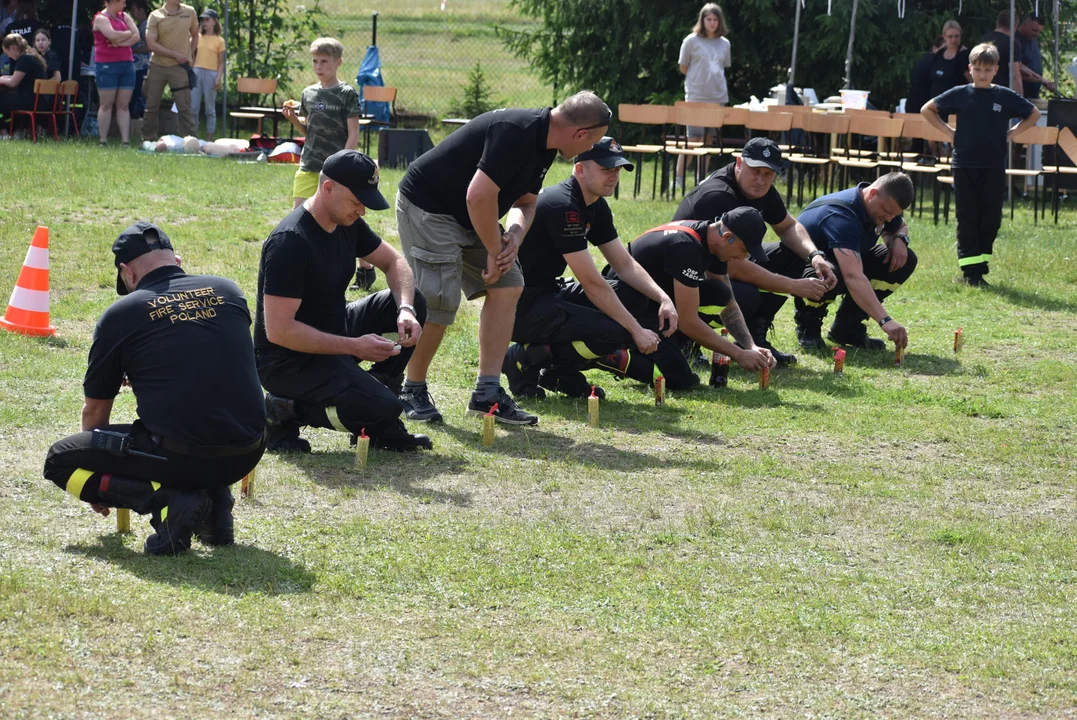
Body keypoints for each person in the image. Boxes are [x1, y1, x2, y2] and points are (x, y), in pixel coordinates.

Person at [42, 222, 266, 556]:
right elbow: (216, 367)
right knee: (204, 420)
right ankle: (216, 509)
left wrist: (103, 474)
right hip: (249, 449)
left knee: (59, 460)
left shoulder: (122, 314)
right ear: (176, 260)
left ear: (126, 272)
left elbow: (95, 410)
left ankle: (171, 500)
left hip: (185, 456)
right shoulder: (228, 290)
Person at [394, 91, 611, 426]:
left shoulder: (546, 145)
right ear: (580, 133)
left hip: (471, 213)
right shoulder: (518, 132)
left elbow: (525, 202)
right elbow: (478, 195)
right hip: (430, 207)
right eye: (592, 141)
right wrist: (495, 251)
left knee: (509, 285)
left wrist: (513, 239)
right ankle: (412, 388)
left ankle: (487, 393)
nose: (588, 149)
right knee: (440, 299)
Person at [256, 150, 432, 454]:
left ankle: (375, 414)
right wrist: (353, 346)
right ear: (328, 188)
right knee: (385, 407)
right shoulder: (290, 242)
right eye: (357, 201)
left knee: (413, 299)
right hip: (287, 361)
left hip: (334, 331)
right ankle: (283, 410)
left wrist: (405, 310)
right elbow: (279, 331)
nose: (362, 210)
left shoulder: (346, 222)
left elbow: (394, 263)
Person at [504, 136, 679, 399]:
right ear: (580, 169)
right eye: (606, 169)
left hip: (547, 293)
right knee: (617, 330)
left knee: (635, 294)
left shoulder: (595, 204)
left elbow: (624, 264)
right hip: (518, 307)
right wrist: (635, 330)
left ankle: (559, 372)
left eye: (617, 169)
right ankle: (523, 357)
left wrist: (663, 297)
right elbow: (592, 283)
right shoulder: (564, 205)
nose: (614, 176)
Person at [672, 138, 838, 365]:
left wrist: (815, 256)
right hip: (687, 276)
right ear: (739, 162)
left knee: (792, 254)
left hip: (721, 266)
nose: (761, 180)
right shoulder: (719, 195)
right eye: (756, 171)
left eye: (768, 174)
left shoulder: (761, 190)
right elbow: (731, 265)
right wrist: (793, 285)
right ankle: (685, 340)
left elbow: (788, 226)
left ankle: (754, 339)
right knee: (742, 295)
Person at [600, 208, 776, 387]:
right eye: (744, 249)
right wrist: (738, 354)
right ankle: (609, 353)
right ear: (727, 237)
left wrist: (750, 346)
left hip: (655, 300)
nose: (743, 257)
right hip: (628, 302)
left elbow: (729, 303)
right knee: (680, 380)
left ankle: (672, 344)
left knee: (719, 293)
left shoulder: (712, 241)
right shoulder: (686, 247)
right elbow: (688, 321)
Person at [922, 43, 1039, 287]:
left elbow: (1034, 113)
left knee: (991, 218)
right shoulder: (960, 93)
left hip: (993, 165)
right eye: (977, 69)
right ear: (970, 69)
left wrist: (1012, 133)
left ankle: (980, 266)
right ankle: (970, 273)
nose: (982, 74)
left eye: (987, 69)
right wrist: (949, 132)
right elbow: (928, 109)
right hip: (964, 164)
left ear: (996, 69)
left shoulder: (1004, 96)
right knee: (967, 217)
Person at [280, 38, 372, 291]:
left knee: (348, 220)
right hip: (309, 164)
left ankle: (366, 267)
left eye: (324, 61)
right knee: (299, 218)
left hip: (336, 170)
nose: (318, 66)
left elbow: (353, 133)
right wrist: (293, 120)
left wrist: (344, 164)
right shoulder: (308, 93)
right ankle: (300, 268)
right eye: (315, 61)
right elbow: (308, 130)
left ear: (337, 62)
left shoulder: (346, 93)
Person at [792, 172, 917, 352]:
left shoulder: (880, 206)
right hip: (808, 268)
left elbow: (899, 225)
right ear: (872, 194)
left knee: (905, 259)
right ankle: (808, 325)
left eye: (894, 214)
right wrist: (885, 321)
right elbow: (852, 276)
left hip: (844, 263)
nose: (889, 218)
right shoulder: (842, 216)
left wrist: (900, 239)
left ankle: (846, 327)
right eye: (887, 212)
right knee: (829, 273)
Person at [673, 3, 730, 194]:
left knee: (708, 140)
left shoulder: (725, 43)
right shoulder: (691, 40)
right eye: (709, 19)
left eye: (715, 19)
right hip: (696, 95)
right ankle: (679, 179)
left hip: (717, 96)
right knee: (693, 139)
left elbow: (724, 66)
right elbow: (683, 67)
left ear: (719, 21)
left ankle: (701, 180)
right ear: (702, 20)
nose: (712, 23)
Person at [141, 0, 197, 141]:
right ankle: (148, 140)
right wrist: (175, 55)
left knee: (184, 107)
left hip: (179, 67)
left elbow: (195, 34)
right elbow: (151, 44)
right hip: (157, 66)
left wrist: (189, 55)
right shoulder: (155, 16)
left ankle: (191, 141)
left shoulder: (190, 12)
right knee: (151, 106)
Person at [92, 0, 139, 146]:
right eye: (122, 2)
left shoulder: (124, 16)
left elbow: (137, 36)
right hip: (107, 64)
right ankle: (103, 140)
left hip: (127, 63)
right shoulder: (100, 19)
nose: (124, 5)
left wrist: (121, 43)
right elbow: (112, 35)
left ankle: (125, 141)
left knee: (123, 104)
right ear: (112, 2)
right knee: (106, 103)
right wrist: (127, 33)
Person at [189, 8, 222, 139]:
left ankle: (209, 137)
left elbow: (221, 62)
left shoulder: (220, 41)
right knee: (193, 107)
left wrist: (219, 77)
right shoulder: (198, 37)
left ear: (215, 22)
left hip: (211, 73)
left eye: (207, 20)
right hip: (197, 71)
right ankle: (193, 136)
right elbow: (190, 52)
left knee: (210, 108)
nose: (204, 23)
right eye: (202, 20)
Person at [0, 32, 46, 113]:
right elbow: (18, 77)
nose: (8, 56)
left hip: (30, 101)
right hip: (39, 100)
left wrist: (2, 80)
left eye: (7, 53)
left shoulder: (24, 59)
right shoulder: (30, 56)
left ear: (12, 48)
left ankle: (7, 123)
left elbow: (13, 83)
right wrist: (5, 78)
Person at [927, 21, 971, 101]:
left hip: (956, 103)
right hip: (936, 102)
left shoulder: (965, 56)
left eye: (957, 36)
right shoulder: (939, 54)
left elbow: (972, 81)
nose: (954, 40)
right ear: (944, 37)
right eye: (950, 36)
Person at [981, 11, 1023, 94]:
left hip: (983, 88)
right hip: (1002, 93)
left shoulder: (983, 39)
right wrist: (1020, 100)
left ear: (997, 22)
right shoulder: (1011, 43)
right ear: (1014, 26)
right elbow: (1015, 74)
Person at [1015, 13, 1055, 100]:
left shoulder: (1033, 39)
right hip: (1020, 95)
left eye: (1039, 31)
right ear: (1025, 24)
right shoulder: (1015, 41)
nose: (1037, 34)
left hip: (1033, 95)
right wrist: (1040, 79)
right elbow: (1018, 67)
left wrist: (1044, 81)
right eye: (1034, 30)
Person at [908, 36, 944, 119]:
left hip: (914, 106)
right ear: (935, 48)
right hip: (926, 108)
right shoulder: (935, 62)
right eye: (944, 48)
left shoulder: (923, 60)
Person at [127, 0, 151, 120]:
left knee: (138, 94)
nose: (132, 14)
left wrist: (133, 50)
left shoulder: (146, 25)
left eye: (133, 11)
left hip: (142, 65)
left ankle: (139, 118)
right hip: (135, 66)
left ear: (141, 10)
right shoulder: (139, 25)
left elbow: (149, 46)